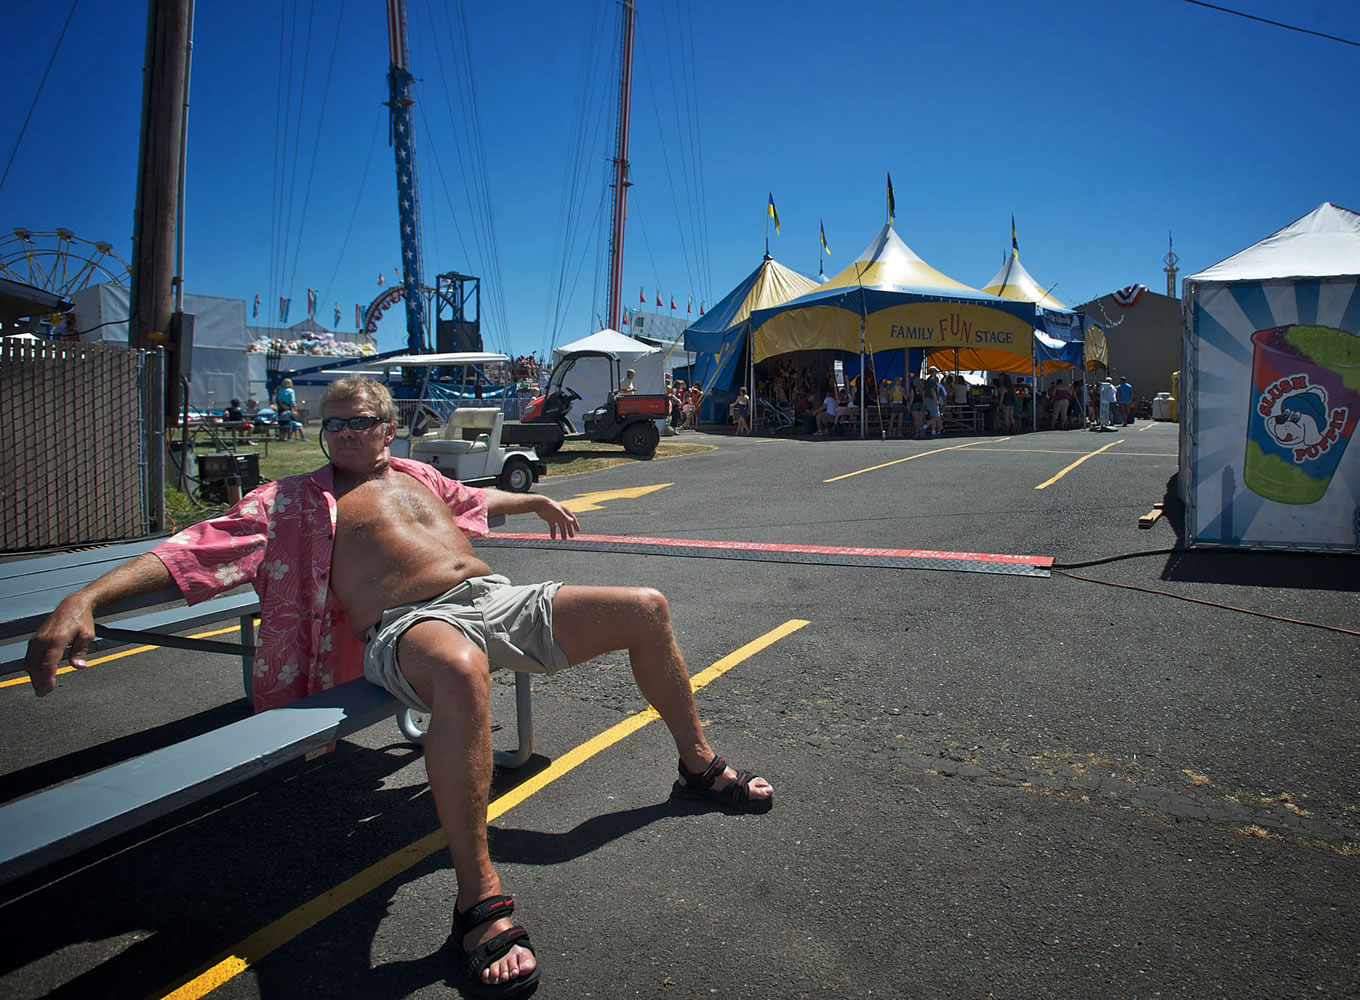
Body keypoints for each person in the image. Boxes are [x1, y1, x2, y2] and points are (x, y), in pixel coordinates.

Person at [24, 375, 772, 998]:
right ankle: (477, 897)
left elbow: (476, 500)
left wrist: (536, 501)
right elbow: (190, 550)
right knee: (456, 668)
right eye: (332, 425)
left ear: (388, 428)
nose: (344, 434)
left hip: (490, 598)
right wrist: (84, 599)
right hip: (406, 629)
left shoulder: (417, 476)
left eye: (358, 421)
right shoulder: (292, 502)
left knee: (645, 607)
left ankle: (697, 767)